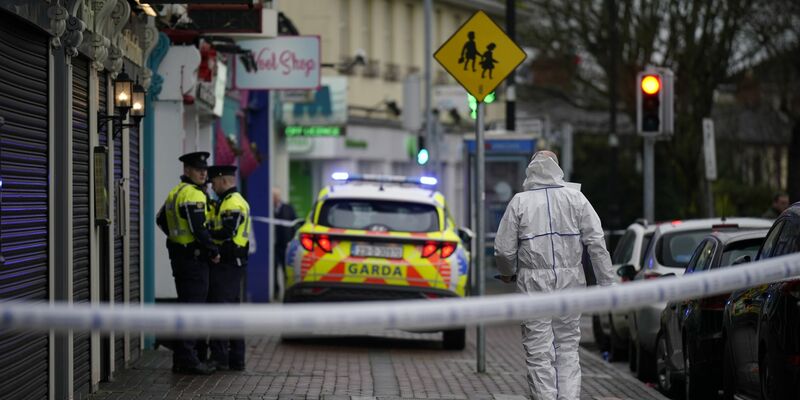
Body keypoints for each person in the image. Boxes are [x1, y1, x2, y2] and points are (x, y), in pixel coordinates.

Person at [494, 150, 614, 400]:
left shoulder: (520, 202)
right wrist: (607, 284)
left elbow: (504, 250)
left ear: (531, 169)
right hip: (571, 281)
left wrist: (508, 273)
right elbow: (597, 243)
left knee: (538, 351)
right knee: (568, 348)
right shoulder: (576, 199)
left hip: (533, 282)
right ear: (557, 168)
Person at [156, 151, 219, 375]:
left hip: (180, 257)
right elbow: (198, 228)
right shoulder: (193, 194)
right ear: (187, 171)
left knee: (185, 306)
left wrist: (175, 238)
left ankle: (182, 358)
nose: (203, 173)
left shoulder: (176, 192)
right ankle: (188, 360)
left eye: (204, 170)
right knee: (193, 308)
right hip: (193, 259)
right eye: (198, 169)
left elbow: (160, 219)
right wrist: (212, 250)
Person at [207, 165, 251, 371]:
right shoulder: (230, 201)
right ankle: (236, 358)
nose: (212, 186)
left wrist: (205, 233)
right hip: (233, 264)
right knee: (232, 312)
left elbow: (226, 231)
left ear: (224, 181)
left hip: (227, 264)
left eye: (214, 182)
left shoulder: (232, 203)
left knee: (220, 310)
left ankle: (220, 358)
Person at [273, 188, 297, 297]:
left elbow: (294, 225)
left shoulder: (288, 208)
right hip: (273, 246)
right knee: (273, 271)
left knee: (285, 271)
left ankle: (287, 293)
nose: (275, 198)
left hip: (285, 245)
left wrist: (292, 241)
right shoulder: (269, 209)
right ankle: (275, 291)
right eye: (273, 196)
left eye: (276, 196)